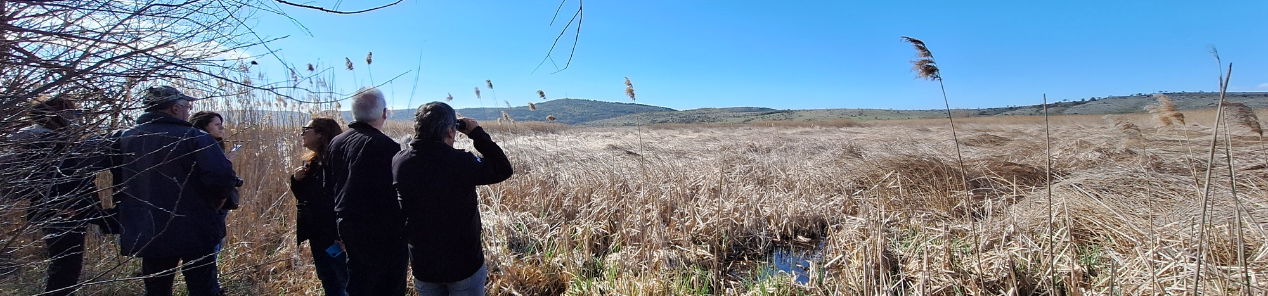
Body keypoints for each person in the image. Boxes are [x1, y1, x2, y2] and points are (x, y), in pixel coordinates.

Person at [112, 86, 240, 296]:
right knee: (202, 288)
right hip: (195, 227)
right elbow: (223, 177)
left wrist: (111, 209)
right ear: (174, 108)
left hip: (147, 228)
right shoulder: (196, 137)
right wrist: (217, 202)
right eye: (186, 107)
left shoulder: (123, 138)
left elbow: (86, 166)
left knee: (156, 289)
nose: (188, 112)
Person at [393, 102, 513, 295]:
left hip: (424, 265)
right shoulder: (461, 162)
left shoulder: (400, 161)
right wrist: (476, 133)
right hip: (463, 264)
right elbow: (503, 168)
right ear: (451, 131)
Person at [7, 96, 109, 296]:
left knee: (64, 265)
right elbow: (62, 179)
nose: (76, 119)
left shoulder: (41, 142)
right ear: (58, 116)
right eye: (72, 114)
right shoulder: (50, 144)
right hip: (64, 211)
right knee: (66, 267)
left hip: (57, 210)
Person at [322, 87, 407, 296]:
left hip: (348, 229)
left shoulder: (336, 142)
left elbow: (327, 190)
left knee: (358, 282)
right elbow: (396, 196)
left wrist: (334, 231)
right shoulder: (387, 147)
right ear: (384, 113)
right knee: (388, 287)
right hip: (383, 235)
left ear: (354, 113)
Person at [289, 117, 348, 296]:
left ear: (321, 134)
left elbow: (343, 200)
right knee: (328, 279)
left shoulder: (337, 161)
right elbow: (306, 198)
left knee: (345, 281)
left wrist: (342, 234)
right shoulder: (312, 163)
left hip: (335, 236)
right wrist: (296, 181)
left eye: (306, 129)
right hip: (318, 235)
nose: (302, 133)